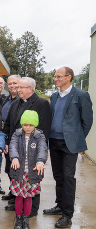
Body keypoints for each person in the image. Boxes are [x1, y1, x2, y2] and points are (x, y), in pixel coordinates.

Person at [43, 67, 93, 228]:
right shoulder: (55, 96)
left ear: (68, 77)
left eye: (58, 76)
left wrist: (77, 138)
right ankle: (59, 205)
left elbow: (87, 121)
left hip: (69, 144)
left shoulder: (81, 95)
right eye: (55, 76)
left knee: (68, 178)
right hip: (54, 141)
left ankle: (67, 214)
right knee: (58, 176)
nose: (55, 79)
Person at [3, 77, 51, 216]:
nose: (18, 90)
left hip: (32, 149)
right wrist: (6, 142)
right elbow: (8, 125)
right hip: (15, 148)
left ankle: (32, 209)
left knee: (32, 178)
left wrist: (39, 153)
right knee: (16, 174)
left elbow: (44, 129)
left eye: (21, 88)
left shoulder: (42, 104)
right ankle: (17, 200)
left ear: (31, 88)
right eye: (18, 87)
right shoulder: (16, 102)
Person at [9, 110, 48, 229]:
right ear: (22, 124)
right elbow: (12, 146)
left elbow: (43, 149)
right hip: (19, 172)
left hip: (32, 173)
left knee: (29, 197)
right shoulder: (17, 134)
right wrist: (14, 158)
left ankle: (26, 218)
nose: (28, 127)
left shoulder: (40, 136)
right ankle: (19, 218)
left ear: (35, 124)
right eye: (25, 124)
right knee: (19, 196)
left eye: (31, 125)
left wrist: (40, 161)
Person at [0, 75, 21, 202]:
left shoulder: (21, 100)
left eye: (15, 83)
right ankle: (13, 191)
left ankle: (17, 193)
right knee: (8, 167)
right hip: (7, 136)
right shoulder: (6, 99)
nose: (12, 86)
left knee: (16, 168)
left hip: (17, 139)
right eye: (10, 84)